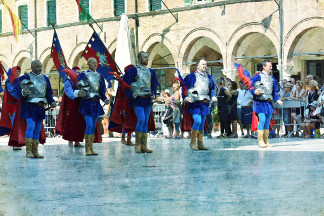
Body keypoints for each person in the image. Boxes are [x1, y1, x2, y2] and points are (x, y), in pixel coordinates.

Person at [17, 60, 56, 158]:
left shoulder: (45, 78)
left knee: (38, 128)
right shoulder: (25, 78)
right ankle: (28, 151)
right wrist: (23, 92)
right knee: (30, 126)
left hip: (40, 106)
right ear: (32, 67)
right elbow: (17, 89)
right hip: (29, 106)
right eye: (37, 66)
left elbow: (48, 93)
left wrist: (51, 101)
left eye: (40, 66)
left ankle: (35, 151)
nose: (39, 68)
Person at [121, 51, 159, 153]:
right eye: (145, 57)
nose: (147, 59)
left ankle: (144, 146)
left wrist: (154, 94)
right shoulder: (133, 71)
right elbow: (124, 85)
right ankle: (137, 145)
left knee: (146, 121)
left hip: (147, 99)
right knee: (141, 119)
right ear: (139, 58)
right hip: (137, 99)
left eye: (147, 57)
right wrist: (131, 95)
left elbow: (154, 84)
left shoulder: (151, 71)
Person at [78, 58, 109, 156]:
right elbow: (80, 86)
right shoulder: (84, 74)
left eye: (96, 63)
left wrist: (105, 99)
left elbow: (102, 91)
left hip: (96, 103)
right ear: (88, 63)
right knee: (89, 124)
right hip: (87, 102)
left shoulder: (100, 76)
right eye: (93, 63)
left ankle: (90, 148)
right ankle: (87, 148)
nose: (95, 64)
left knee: (93, 126)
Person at [184, 58, 217, 150]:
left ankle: (200, 143)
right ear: (197, 66)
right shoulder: (192, 76)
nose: (205, 66)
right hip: (195, 103)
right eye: (203, 64)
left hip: (205, 102)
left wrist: (213, 96)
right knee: (197, 121)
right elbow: (184, 88)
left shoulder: (209, 77)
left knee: (202, 123)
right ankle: (192, 142)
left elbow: (211, 89)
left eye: (205, 64)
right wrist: (185, 97)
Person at [250, 59, 282, 148]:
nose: (271, 68)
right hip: (260, 102)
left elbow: (274, 92)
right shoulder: (257, 77)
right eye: (269, 66)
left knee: (267, 121)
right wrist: (254, 91)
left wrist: (277, 99)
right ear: (264, 67)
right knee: (262, 119)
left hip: (268, 102)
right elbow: (250, 87)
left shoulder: (272, 78)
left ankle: (266, 141)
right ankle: (260, 141)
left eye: (271, 66)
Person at [0, 66, 21, 150]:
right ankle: (14, 143)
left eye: (19, 72)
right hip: (12, 106)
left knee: (19, 125)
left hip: (18, 105)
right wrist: (21, 96)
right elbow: (13, 93)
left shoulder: (18, 81)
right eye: (17, 72)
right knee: (14, 125)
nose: (18, 73)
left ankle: (18, 141)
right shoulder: (9, 82)